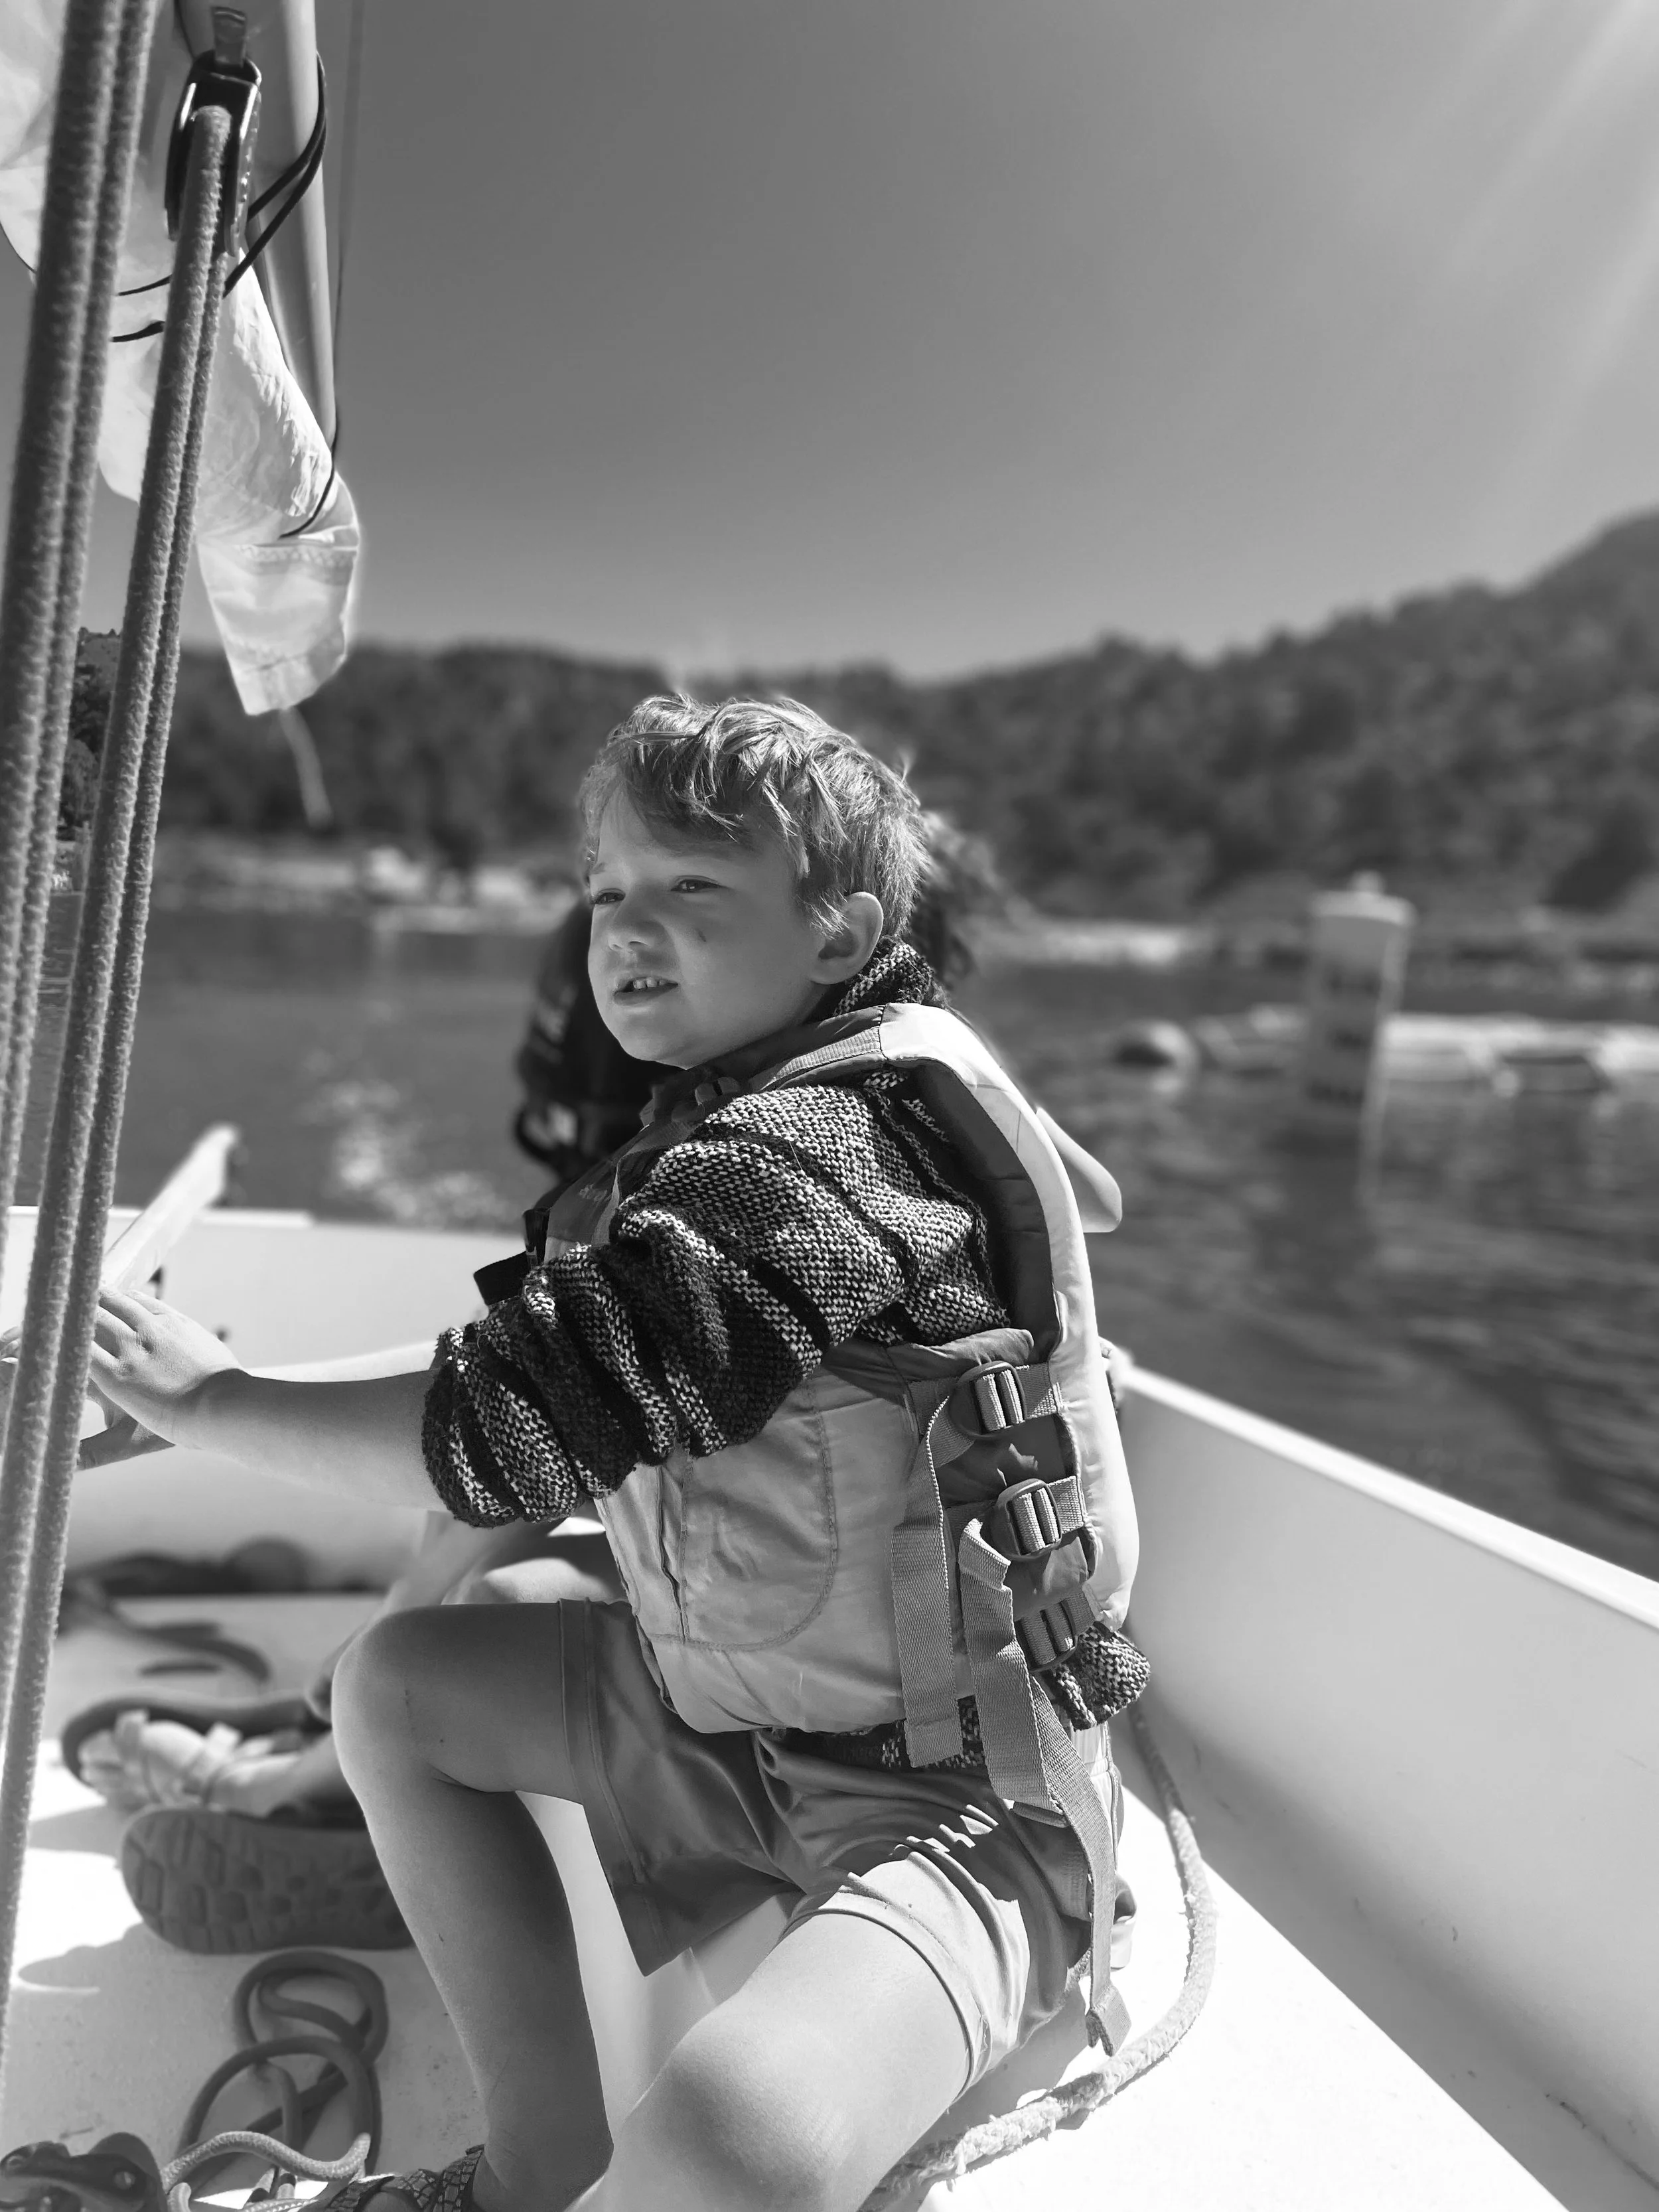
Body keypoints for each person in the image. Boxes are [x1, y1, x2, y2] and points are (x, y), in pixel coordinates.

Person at [89, 696, 1145, 2212]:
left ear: (841, 938)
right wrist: (217, 1387)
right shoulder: (777, 1112)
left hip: (961, 1803)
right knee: (402, 1688)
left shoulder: (813, 1153)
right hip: (742, 1727)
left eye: (694, 891)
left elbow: (516, 1426)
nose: (626, 929)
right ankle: (534, 2171)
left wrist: (220, 1408)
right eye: (606, 893)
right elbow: (524, 1353)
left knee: (732, 2132)